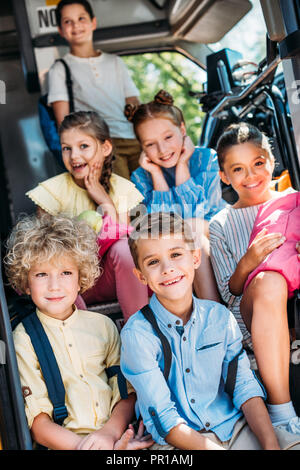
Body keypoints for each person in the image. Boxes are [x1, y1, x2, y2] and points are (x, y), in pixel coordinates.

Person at [119, 211, 300, 450]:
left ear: (195, 258)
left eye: (176, 254)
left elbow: (244, 387)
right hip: (179, 443)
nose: (167, 268)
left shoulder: (220, 318)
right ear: (141, 276)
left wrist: (270, 444)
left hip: (233, 428)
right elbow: (165, 420)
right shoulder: (137, 335)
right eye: (153, 262)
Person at [4, 213, 153, 450]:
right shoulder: (23, 339)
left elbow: (127, 394)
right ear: (26, 281)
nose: (55, 285)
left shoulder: (103, 326)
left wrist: (109, 436)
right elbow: (39, 425)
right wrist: (91, 448)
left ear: (80, 277)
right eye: (41, 274)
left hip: (116, 437)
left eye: (66, 273)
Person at [209, 122, 300, 435]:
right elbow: (229, 293)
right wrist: (249, 261)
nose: (251, 176)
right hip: (252, 307)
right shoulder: (221, 223)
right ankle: (282, 411)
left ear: (271, 161)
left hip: (295, 297)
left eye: (258, 164)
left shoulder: (295, 201)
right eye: (238, 169)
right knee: (269, 281)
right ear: (224, 176)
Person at [26, 111, 148, 321]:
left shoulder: (120, 189)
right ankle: (83, 332)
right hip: (72, 285)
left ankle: (139, 327)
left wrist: (105, 202)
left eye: (83, 146)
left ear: (105, 148)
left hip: (112, 279)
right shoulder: (52, 192)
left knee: (125, 247)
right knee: (57, 267)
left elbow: (125, 241)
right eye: (67, 148)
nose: (74, 156)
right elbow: (45, 254)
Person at [126, 89, 226, 301]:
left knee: (192, 228)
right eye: (150, 144)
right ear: (142, 148)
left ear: (182, 129)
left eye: (168, 137)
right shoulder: (140, 177)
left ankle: (212, 306)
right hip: (175, 244)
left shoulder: (206, 159)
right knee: (181, 236)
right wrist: (156, 176)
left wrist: (182, 166)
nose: (162, 149)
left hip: (213, 229)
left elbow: (198, 215)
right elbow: (160, 227)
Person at [48, 0, 141, 179]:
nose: (75, 25)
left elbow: (133, 103)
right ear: (60, 30)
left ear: (93, 22)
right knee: (124, 202)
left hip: (133, 139)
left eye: (81, 18)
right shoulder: (60, 68)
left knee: (153, 194)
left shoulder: (115, 62)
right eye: (68, 21)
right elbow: (64, 124)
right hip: (101, 146)